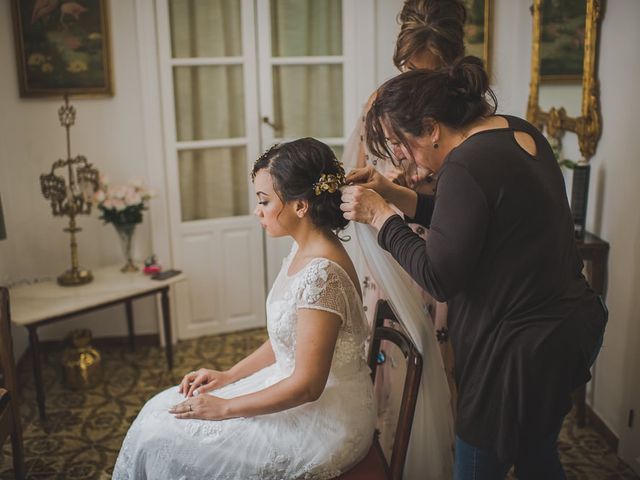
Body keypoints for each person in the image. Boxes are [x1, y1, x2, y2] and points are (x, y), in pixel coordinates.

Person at [340, 56, 608, 479]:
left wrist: (381, 218)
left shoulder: (465, 165)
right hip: (568, 328)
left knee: (479, 467)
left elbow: (438, 275)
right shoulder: (515, 130)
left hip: (517, 353)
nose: (398, 155)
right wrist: (393, 193)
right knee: (538, 456)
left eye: (400, 142)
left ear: (431, 128)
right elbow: (462, 223)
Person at [113, 138, 376, 479]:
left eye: (265, 201)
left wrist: (225, 407)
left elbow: (309, 386)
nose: (258, 211)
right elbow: (290, 340)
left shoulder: (322, 275)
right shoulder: (303, 253)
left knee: (162, 435)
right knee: (157, 411)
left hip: (325, 419)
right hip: (296, 390)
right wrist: (229, 376)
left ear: (300, 206)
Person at [341, 1, 466, 476]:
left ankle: (442, 453)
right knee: (388, 348)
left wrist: (421, 182)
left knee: (440, 351)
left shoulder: (461, 111)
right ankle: (389, 443)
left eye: (428, 71)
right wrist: (386, 181)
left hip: (437, 236)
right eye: (410, 70)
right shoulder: (382, 102)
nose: (416, 81)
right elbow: (358, 173)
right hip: (389, 243)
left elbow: (461, 182)